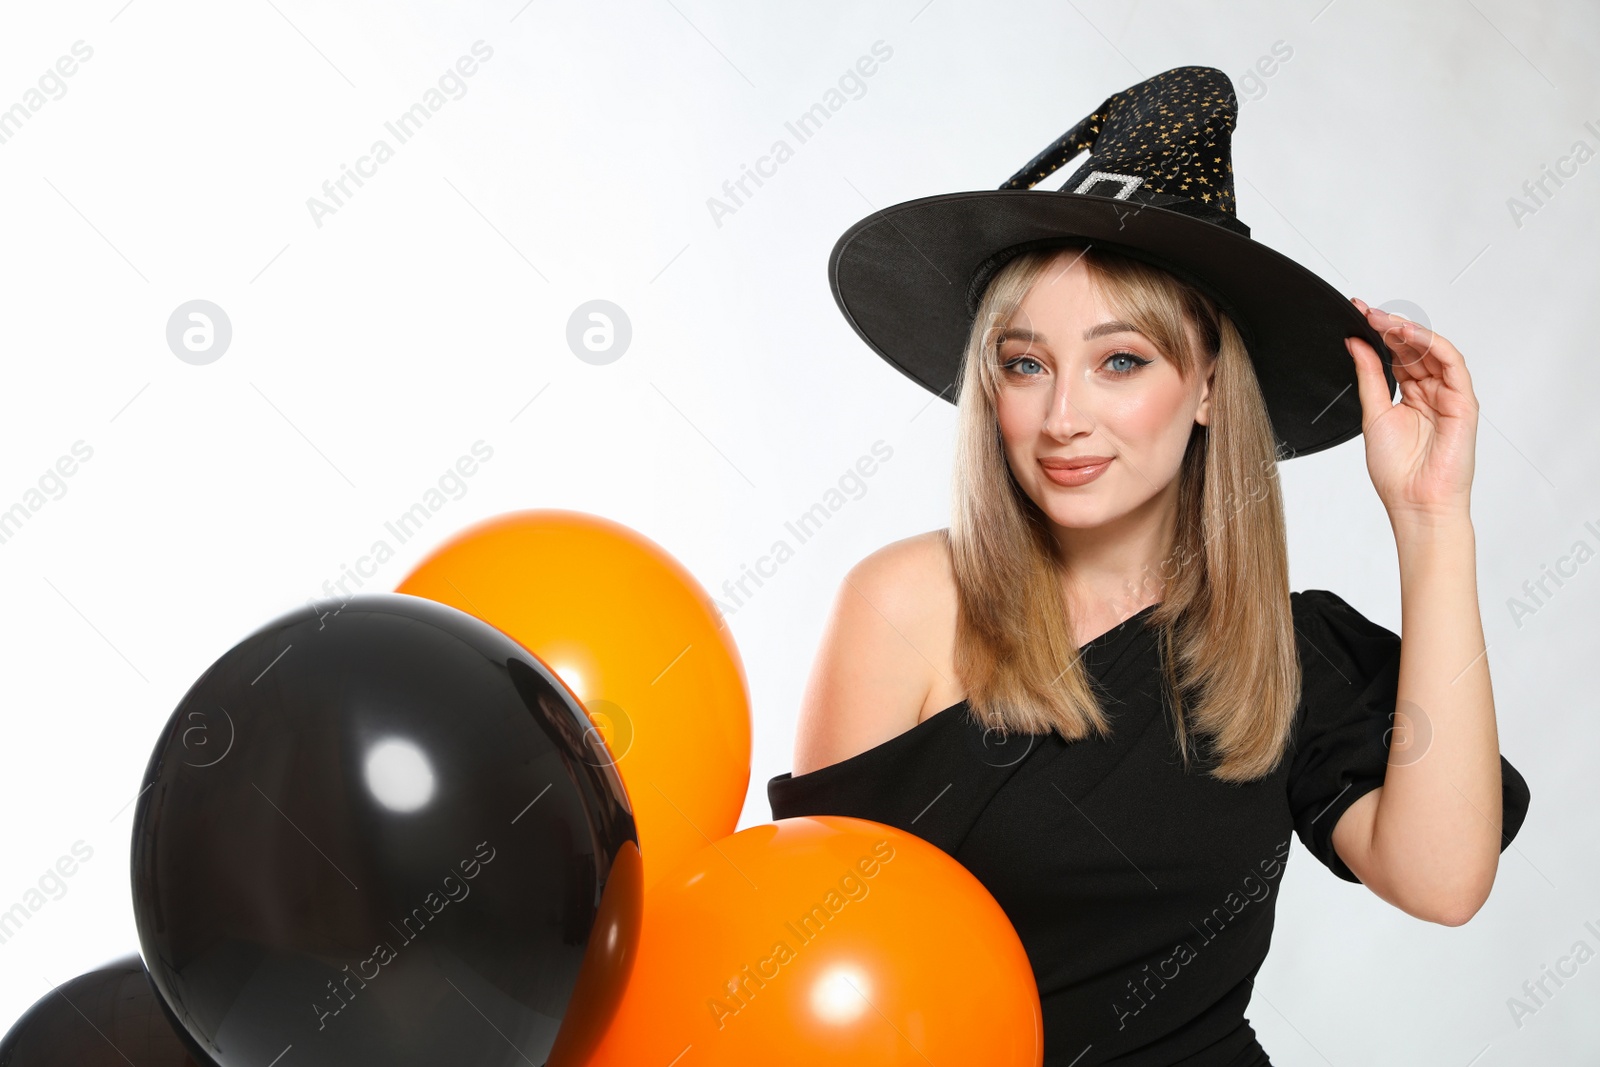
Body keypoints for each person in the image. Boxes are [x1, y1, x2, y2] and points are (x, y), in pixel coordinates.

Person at [766, 66, 1530, 1066]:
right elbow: (810, 969)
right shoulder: (908, 604)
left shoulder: (1284, 650)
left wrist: (1432, 518)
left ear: (1207, 383)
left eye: (1118, 360)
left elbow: (1441, 880)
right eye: (1023, 362)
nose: (1060, 415)